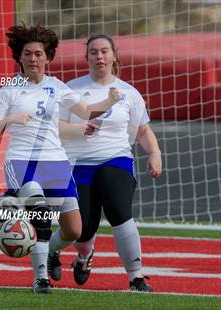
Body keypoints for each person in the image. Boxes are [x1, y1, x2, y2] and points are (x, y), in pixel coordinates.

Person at [0, 25, 121, 293]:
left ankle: (49, 252)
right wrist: (10, 119)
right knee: (41, 215)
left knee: (73, 230)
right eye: (27, 54)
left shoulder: (58, 87)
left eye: (38, 54)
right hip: (22, 163)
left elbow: (85, 112)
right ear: (19, 57)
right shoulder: (10, 89)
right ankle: (40, 278)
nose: (33, 59)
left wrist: (109, 102)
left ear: (48, 57)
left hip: (56, 163)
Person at [56, 34, 162, 292]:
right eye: (94, 52)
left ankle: (136, 277)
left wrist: (155, 154)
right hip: (78, 162)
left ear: (114, 55)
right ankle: (83, 256)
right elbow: (54, 127)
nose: (100, 56)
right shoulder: (71, 89)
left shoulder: (129, 93)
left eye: (104, 51)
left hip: (116, 158)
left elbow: (143, 131)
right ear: (87, 57)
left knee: (118, 209)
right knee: (82, 229)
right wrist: (78, 128)